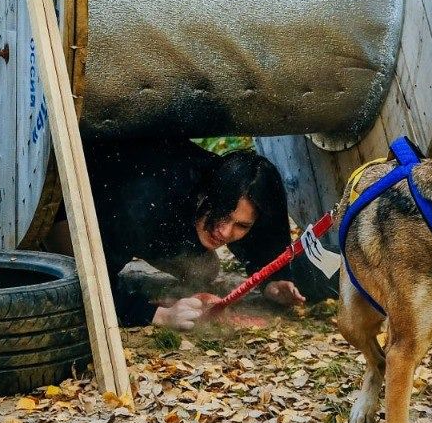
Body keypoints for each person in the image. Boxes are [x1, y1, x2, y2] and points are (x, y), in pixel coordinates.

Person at [47, 137, 305, 331]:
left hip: (163, 225)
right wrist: (159, 315)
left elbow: (267, 237)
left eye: (241, 225)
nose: (225, 232)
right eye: (222, 215)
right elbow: (91, 285)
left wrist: (274, 281)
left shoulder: (241, 190)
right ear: (206, 194)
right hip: (74, 207)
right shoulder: (146, 205)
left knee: (205, 270)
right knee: (71, 267)